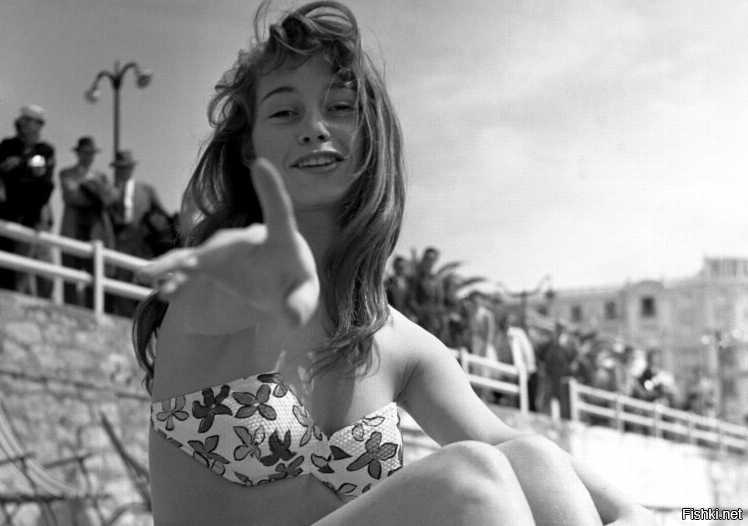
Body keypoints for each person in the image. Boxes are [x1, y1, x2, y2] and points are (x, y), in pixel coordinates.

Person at [134, 3, 654, 525]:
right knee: (467, 478)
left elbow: (521, 451)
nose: (314, 128)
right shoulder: (216, 294)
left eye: (340, 107)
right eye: (285, 112)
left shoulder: (400, 345)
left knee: (531, 456)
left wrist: (644, 514)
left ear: (370, 136)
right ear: (249, 148)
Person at [0, 104, 55, 298]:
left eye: (29, 121)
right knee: (4, 265)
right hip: (6, 212)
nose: (23, 124)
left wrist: (19, 163)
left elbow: (41, 171)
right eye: (23, 120)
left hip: (33, 217)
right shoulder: (6, 146)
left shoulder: (44, 150)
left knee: (38, 270)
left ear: (39, 125)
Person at [106, 149, 167, 317]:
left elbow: (161, 214)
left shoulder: (146, 190)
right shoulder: (111, 191)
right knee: (121, 282)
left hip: (143, 244)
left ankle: (146, 318)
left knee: (147, 281)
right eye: (120, 168)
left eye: (126, 167)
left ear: (132, 168)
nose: (123, 171)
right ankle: (126, 317)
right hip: (120, 243)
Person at [59, 136, 118, 307]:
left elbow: (111, 197)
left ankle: (92, 312)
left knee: (95, 278)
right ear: (78, 153)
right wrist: (96, 195)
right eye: (85, 152)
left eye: (91, 153)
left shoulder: (101, 176)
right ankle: (69, 311)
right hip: (72, 231)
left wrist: (91, 190)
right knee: (70, 278)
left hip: (95, 233)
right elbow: (71, 195)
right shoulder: (66, 173)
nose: (88, 156)